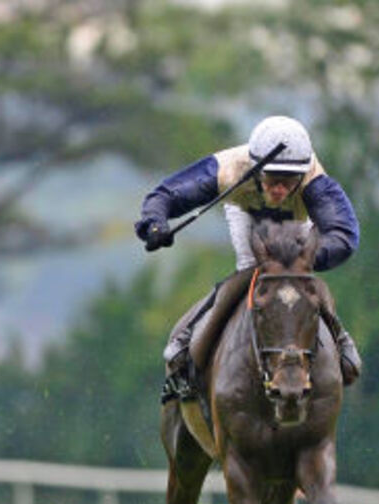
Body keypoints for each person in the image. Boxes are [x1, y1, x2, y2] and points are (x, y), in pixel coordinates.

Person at [135, 115, 362, 401]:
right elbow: (166, 195)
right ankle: (188, 342)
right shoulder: (229, 169)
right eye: (272, 180)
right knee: (253, 270)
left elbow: (344, 235)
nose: (279, 189)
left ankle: (339, 336)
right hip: (246, 211)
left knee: (297, 277)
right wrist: (155, 223)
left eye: (288, 181)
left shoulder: (313, 179)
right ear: (255, 169)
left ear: (301, 175)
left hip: (296, 219)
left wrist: (302, 259)